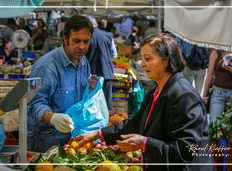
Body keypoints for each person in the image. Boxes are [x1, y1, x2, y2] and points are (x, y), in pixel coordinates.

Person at [75, 33, 215, 171]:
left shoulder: (184, 96)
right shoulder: (156, 90)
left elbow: (184, 151)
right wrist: (98, 134)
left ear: (166, 61)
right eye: (142, 58)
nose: (142, 64)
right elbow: (135, 124)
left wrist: (144, 143)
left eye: (147, 59)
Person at [28, 15, 95, 153]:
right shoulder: (46, 67)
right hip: (46, 140)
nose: (82, 47)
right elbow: (32, 104)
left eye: (86, 42)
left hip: (72, 138)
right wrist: (52, 118)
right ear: (65, 39)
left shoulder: (83, 62)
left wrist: (91, 89)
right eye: (76, 41)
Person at [85, 16, 117, 111]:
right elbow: (114, 54)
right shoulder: (108, 35)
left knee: (91, 103)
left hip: (91, 74)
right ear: (97, 24)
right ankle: (107, 124)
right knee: (106, 103)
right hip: (107, 73)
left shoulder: (87, 36)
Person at [202, 49, 232, 123]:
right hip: (218, 94)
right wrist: (204, 95)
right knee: (214, 125)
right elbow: (210, 74)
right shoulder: (216, 52)